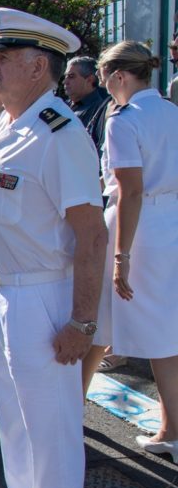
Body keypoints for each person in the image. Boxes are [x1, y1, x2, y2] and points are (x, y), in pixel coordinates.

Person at [0, 8, 107, 488]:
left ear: (38, 66)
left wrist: (82, 323)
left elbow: (91, 233)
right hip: (2, 291)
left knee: (50, 423)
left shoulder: (59, 131)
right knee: (16, 416)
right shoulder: (11, 124)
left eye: (2, 60)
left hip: (43, 295)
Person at [79, 41, 178, 463]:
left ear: (118, 76)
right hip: (169, 223)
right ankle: (171, 429)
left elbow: (131, 190)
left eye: (103, 75)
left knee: (99, 317)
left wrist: (121, 256)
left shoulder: (123, 119)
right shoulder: (172, 112)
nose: (102, 84)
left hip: (136, 227)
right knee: (163, 331)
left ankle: (69, 408)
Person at [62, 57, 108, 150]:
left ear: (89, 80)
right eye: (65, 77)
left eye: (71, 76)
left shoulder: (100, 110)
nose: (65, 82)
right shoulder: (62, 106)